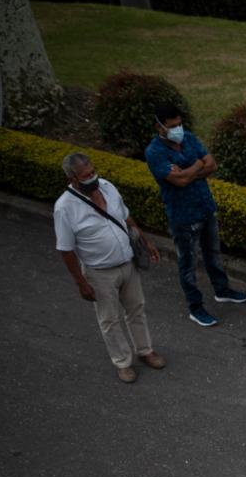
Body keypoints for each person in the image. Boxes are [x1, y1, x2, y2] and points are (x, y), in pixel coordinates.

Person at [54, 153, 164, 384]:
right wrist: (81, 283)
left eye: (93, 172)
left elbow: (125, 217)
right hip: (99, 273)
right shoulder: (64, 208)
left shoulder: (107, 187)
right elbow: (66, 250)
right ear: (72, 179)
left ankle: (145, 351)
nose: (93, 177)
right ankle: (122, 362)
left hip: (128, 264)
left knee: (136, 309)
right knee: (109, 320)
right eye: (86, 176)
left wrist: (146, 241)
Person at [145, 101, 246, 327]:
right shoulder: (154, 152)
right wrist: (197, 165)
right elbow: (181, 181)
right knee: (188, 263)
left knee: (213, 254)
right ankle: (195, 307)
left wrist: (187, 171)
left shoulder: (189, 138)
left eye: (179, 124)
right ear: (159, 127)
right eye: (172, 126)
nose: (178, 129)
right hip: (183, 217)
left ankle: (222, 290)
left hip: (205, 207)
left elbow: (212, 165)